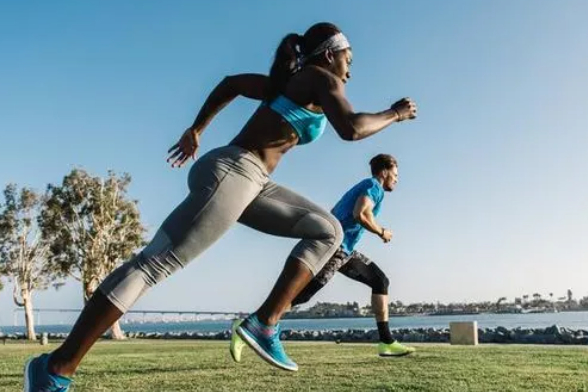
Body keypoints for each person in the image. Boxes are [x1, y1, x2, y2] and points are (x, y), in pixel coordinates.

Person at [24, 22, 417, 391]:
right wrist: (396, 114)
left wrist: (198, 129)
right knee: (153, 265)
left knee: (327, 230)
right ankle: (54, 370)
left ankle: (264, 324)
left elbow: (231, 84)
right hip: (235, 172)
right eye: (349, 58)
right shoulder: (320, 77)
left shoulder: (291, 83)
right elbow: (351, 128)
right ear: (330, 54)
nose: (350, 70)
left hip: (250, 180)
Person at [230, 154, 414, 363]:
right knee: (302, 296)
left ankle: (386, 342)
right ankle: (251, 324)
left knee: (380, 280)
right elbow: (361, 214)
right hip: (336, 248)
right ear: (384, 172)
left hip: (345, 250)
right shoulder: (374, 186)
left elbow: (348, 213)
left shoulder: (368, 186)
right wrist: (382, 232)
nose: (397, 179)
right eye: (395, 174)